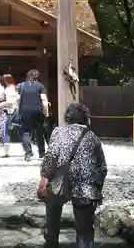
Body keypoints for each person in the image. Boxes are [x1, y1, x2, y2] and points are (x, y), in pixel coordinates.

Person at [38, 103, 107, 248]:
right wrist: (96, 188)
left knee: (52, 207)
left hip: (60, 184)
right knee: (85, 231)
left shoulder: (58, 132)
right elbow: (102, 168)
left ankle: (52, 240)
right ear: (86, 119)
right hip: (86, 187)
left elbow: (50, 159)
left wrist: (44, 180)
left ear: (67, 118)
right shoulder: (93, 137)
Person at [16, 69, 49, 161]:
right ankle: (42, 153)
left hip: (24, 111)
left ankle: (28, 153)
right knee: (39, 131)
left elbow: (17, 99)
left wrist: (19, 109)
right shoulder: (40, 86)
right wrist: (45, 113)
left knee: (24, 131)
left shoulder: (21, 86)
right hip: (37, 111)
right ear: (37, 77)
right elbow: (44, 101)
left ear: (28, 76)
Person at [0, 74, 19, 157]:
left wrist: (2, 105)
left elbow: (9, 102)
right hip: (18, 113)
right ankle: (28, 151)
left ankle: (6, 151)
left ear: (5, 81)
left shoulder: (8, 89)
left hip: (10, 114)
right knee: (22, 131)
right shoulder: (17, 88)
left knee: (7, 133)